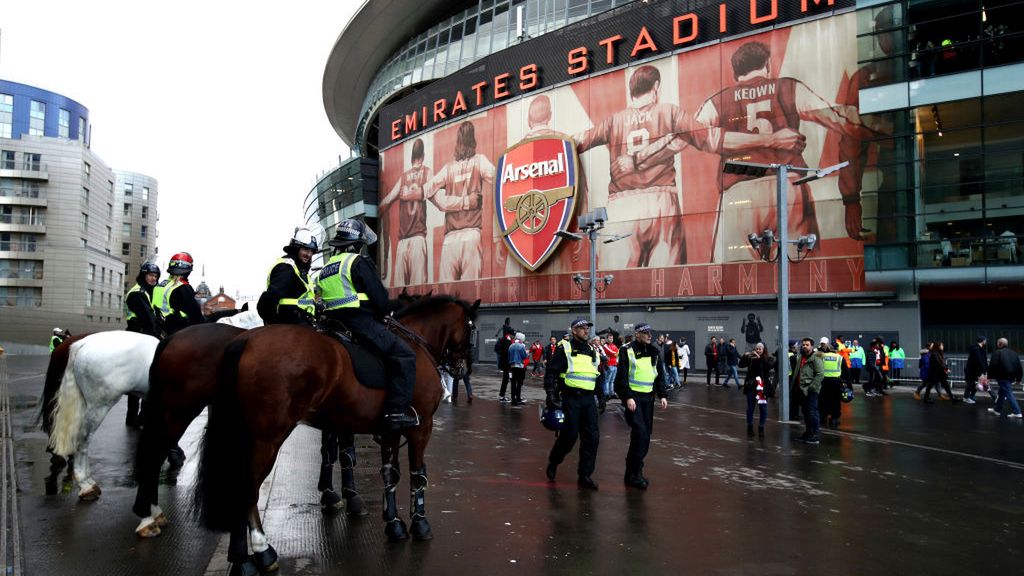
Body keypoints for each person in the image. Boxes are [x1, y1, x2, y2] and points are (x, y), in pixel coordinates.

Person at [696, 40, 863, 262]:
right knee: (798, 272)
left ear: (736, 73)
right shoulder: (788, 87)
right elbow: (835, 116)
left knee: (736, 275)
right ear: (768, 64)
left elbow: (692, 133)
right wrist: (881, 119)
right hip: (787, 185)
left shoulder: (717, 101)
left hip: (739, 191)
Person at [574, 64, 708, 268]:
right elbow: (699, 134)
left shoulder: (614, 121)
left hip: (622, 203)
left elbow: (578, 141)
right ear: (656, 87)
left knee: (616, 284)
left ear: (632, 91)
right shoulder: (668, 111)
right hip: (661, 198)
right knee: (666, 281)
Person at [319, 219, 418, 430]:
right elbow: (380, 300)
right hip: (359, 322)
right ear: (357, 244)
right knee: (405, 355)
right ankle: (396, 412)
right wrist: (388, 308)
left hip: (332, 324)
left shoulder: (327, 267)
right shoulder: (357, 262)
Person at [424, 121, 495, 282]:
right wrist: (466, 202)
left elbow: (427, 190)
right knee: (471, 292)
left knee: (446, 297)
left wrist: (447, 202)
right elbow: (499, 178)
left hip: (450, 239)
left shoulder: (448, 168)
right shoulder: (480, 161)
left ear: (457, 142)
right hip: (472, 234)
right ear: (473, 140)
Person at [544, 317, 602, 490]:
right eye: (582, 328)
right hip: (571, 399)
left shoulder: (592, 350)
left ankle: (585, 475)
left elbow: (596, 375)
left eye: (587, 328)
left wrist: (602, 396)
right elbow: (551, 373)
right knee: (569, 438)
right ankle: (554, 462)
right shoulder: (565, 349)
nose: (586, 330)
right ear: (573, 331)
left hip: (588, 401)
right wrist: (552, 396)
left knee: (592, 438)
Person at [614, 323, 668, 489]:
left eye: (650, 332)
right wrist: (627, 397)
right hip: (634, 399)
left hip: (648, 399)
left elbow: (659, 375)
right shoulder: (627, 350)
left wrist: (663, 394)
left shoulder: (654, 351)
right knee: (640, 434)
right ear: (637, 334)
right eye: (645, 333)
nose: (649, 335)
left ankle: (631, 471)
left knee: (645, 437)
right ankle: (636, 474)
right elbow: (621, 378)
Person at [379, 138, 431, 286]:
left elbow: (387, 200)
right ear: (423, 155)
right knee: (419, 292)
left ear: (412, 157)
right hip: (417, 239)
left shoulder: (403, 177)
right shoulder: (427, 172)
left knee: (400, 294)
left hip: (402, 242)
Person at [123, 262, 162, 427]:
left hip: (146, 333)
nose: (153, 278)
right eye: (151, 275)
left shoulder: (152, 292)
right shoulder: (137, 293)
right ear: (143, 275)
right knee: (141, 379)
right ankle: (134, 417)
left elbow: (156, 311)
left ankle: (140, 416)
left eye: (156, 276)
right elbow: (148, 318)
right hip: (138, 333)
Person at [258, 227, 318, 327]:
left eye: (311, 251)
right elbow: (270, 298)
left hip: (302, 320)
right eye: (305, 249)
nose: (309, 254)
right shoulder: (287, 267)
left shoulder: (299, 269)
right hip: (290, 323)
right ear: (296, 248)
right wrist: (274, 325)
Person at [152, 252, 204, 335]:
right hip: (180, 331)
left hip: (161, 329)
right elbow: (196, 316)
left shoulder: (161, 285)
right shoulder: (183, 287)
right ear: (188, 270)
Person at [792, 338, 824, 444]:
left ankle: (815, 435)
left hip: (811, 390)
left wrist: (812, 388)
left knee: (812, 412)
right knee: (806, 412)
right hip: (801, 389)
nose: (804, 346)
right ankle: (808, 433)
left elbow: (820, 374)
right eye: (803, 344)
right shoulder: (802, 357)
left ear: (812, 346)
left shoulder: (816, 358)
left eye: (807, 345)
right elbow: (797, 373)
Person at [739, 343, 774, 438]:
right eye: (757, 348)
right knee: (750, 407)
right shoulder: (751, 358)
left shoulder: (768, 358)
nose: (758, 350)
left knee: (763, 408)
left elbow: (768, 367)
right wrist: (745, 356)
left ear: (764, 350)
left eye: (760, 349)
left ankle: (761, 427)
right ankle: (749, 427)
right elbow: (741, 365)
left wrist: (760, 358)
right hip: (751, 385)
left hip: (761, 386)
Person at [986, 338, 1023, 418]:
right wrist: (1019, 378)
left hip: (1002, 376)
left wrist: (989, 377)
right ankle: (997, 410)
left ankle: (1017, 412)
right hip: (1011, 376)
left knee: (1008, 393)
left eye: (997, 343)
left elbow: (993, 365)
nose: (997, 344)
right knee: (1002, 393)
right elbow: (1019, 366)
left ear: (1000, 344)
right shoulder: (1014, 353)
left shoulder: (997, 352)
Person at [817, 338, 848, 429]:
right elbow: (846, 372)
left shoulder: (822, 356)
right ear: (837, 349)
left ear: (829, 348)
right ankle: (835, 418)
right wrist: (848, 385)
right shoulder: (840, 358)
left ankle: (823, 416)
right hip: (836, 382)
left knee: (823, 400)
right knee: (835, 400)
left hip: (823, 381)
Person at [963, 336, 989, 405]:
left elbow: (983, 360)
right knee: (970, 383)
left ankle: (971, 396)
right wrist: (984, 369)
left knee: (975, 384)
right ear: (982, 341)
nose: (986, 341)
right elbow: (979, 360)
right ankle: (966, 398)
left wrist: (985, 369)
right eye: (985, 340)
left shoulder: (980, 349)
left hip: (977, 369)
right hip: (973, 369)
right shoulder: (976, 349)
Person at [508, 333, 528, 406]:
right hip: (520, 366)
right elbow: (524, 356)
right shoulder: (521, 346)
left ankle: (513, 399)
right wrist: (527, 353)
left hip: (512, 366)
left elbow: (508, 355)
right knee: (519, 383)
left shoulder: (511, 346)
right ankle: (518, 398)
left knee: (513, 383)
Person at [495, 326, 514, 403]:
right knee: (506, 380)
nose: (514, 336)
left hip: (508, 364)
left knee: (508, 380)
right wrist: (502, 355)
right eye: (513, 335)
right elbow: (497, 349)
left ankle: (504, 395)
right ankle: (502, 396)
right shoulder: (504, 341)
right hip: (506, 364)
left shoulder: (507, 340)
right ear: (510, 334)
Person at [601, 335, 619, 399]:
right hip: (609, 365)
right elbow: (613, 353)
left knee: (612, 380)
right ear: (607, 339)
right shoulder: (605, 345)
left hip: (614, 365)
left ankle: (612, 393)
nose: (611, 339)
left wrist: (615, 354)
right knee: (607, 380)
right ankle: (607, 394)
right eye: (610, 338)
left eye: (612, 338)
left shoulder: (614, 345)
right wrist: (615, 354)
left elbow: (617, 352)